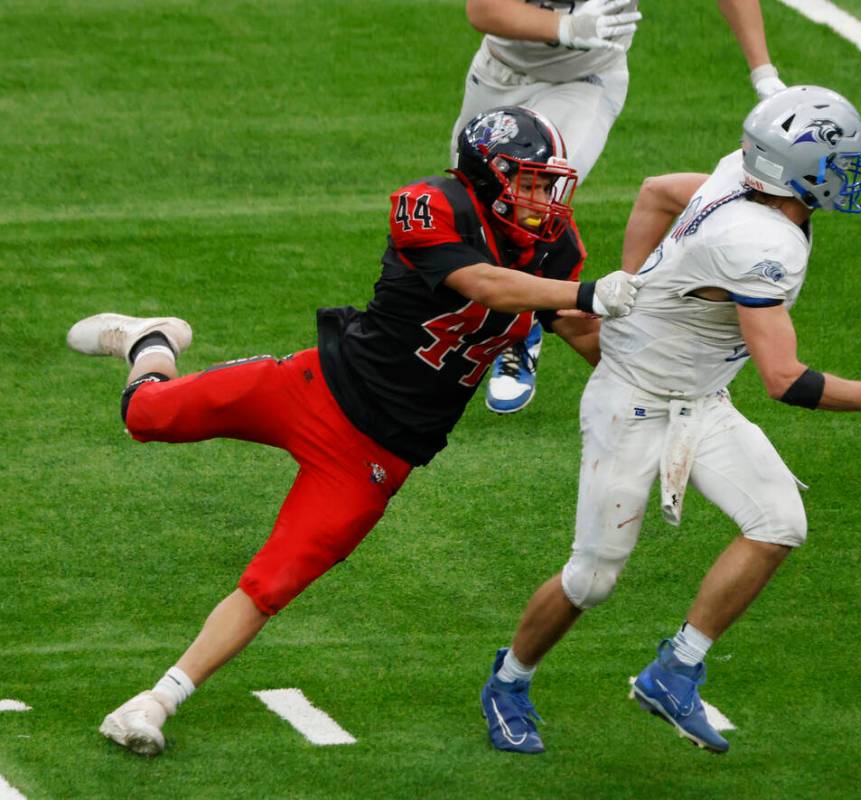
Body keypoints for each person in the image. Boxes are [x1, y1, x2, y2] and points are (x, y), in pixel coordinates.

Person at [68, 106, 642, 757]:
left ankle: (157, 700)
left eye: (546, 185)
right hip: (316, 388)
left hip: (375, 458)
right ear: (486, 174)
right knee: (146, 417)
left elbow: (583, 333)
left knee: (270, 584)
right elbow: (484, 285)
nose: (541, 200)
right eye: (528, 182)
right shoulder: (431, 204)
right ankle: (147, 339)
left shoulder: (552, 249)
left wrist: (660, 384)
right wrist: (586, 293)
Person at [479, 86, 861, 754]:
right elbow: (784, 379)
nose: (849, 174)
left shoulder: (741, 177)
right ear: (796, 169)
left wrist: (636, 288)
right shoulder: (762, 243)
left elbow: (655, 191)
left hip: (700, 396)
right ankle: (508, 682)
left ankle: (675, 669)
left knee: (780, 522)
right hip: (633, 403)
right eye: (836, 161)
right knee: (592, 576)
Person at [453, 0, 787, 414]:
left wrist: (764, 73)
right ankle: (481, 320)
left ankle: (521, 332)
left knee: (530, 198)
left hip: (584, 77)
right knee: (473, 202)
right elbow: (483, 10)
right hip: (499, 69)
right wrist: (568, 26)